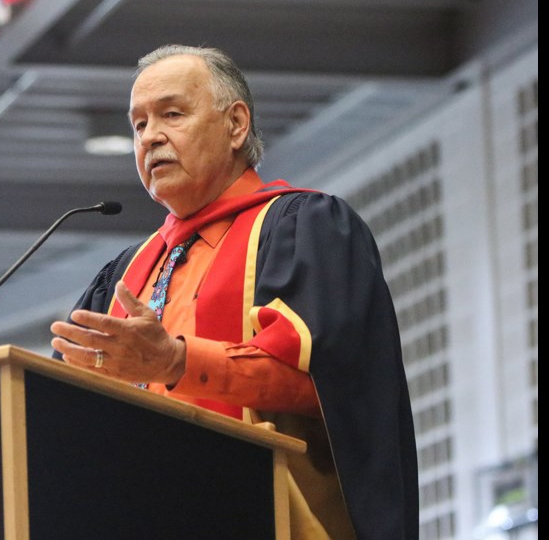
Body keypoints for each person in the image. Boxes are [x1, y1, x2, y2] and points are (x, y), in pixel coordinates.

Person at [50, 44, 418, 539]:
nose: (151, 137)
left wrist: (176, 363)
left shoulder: (302, 228)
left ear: (236, 125)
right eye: (138, 125)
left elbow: (325, 381)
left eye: (172, 114)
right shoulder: (124, 273)